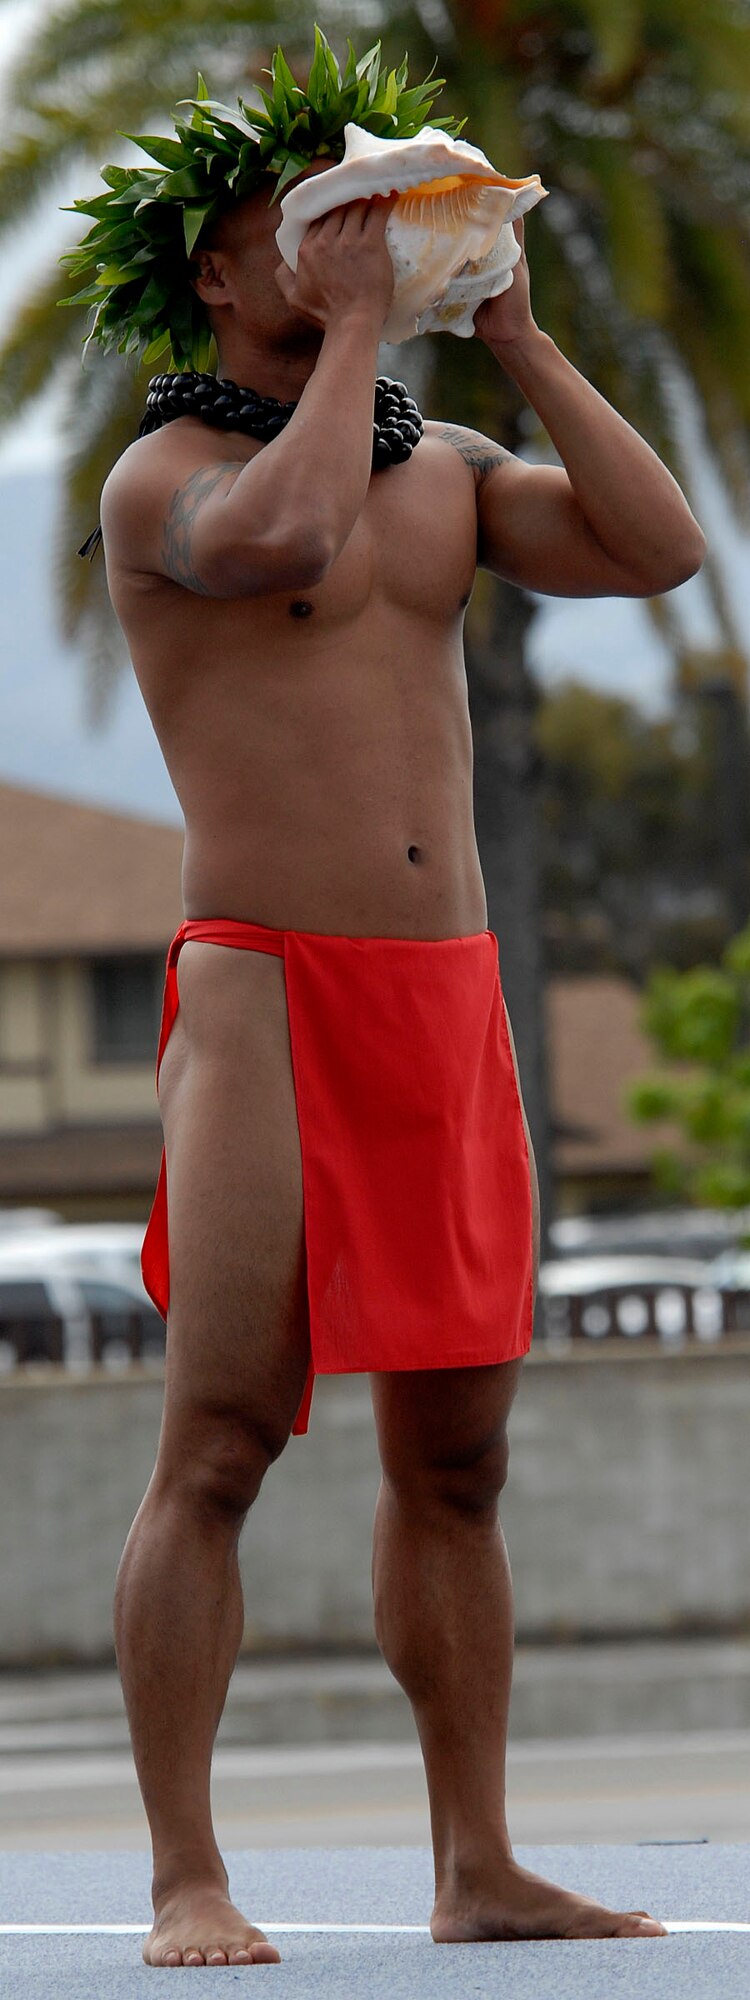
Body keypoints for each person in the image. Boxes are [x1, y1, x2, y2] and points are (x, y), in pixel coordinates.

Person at [83, 49, 705, 1971]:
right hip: (265, 994)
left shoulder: (442, 470)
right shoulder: (166, 477)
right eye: (304, 221)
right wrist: (358, 317)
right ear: (214, 270)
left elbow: (657, 547)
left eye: (365, 216)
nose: (344, 242)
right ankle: (189, 1870)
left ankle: (479, 1864)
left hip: (444, 1003)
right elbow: (276, 545)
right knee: (223, 1442)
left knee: (460, 1459)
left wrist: (504, 330)